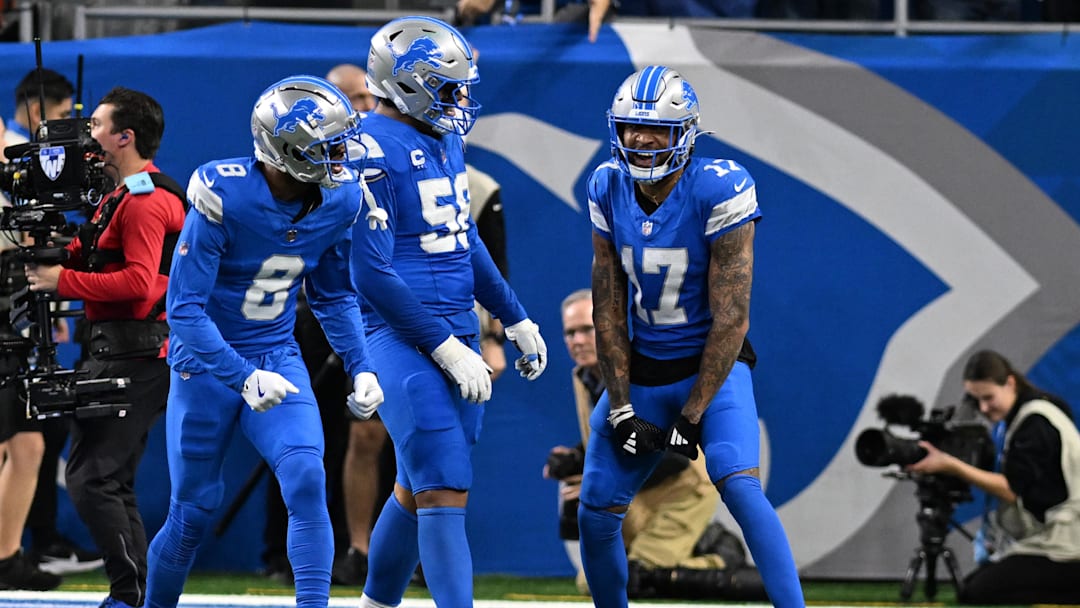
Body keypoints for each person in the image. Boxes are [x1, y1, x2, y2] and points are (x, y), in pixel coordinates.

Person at [144, 75, 384, 608]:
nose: (342, 157)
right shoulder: (225, 193)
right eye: (328, 146)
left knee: (304, 477)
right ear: (287, 151)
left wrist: (360, 364)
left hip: (275, 352)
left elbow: (334, 295)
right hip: (204, 364)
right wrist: (241, 375)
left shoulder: (342, 198)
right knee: (192, 512)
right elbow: (182, 310)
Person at [581, 65, 804, 608]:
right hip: (644, 369)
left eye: (655, 129)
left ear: (685, 134)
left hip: (714, 371)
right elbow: (607, 309)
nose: (640, 138)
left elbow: (732, 318)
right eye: (632, 126)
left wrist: (692, 415)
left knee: (740, 487)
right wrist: (620, 407)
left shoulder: (718, 186)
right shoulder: (608, 184)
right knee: (594, 510)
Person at [350, 16, 548, 608]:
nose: (460, 99)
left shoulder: (443, 136)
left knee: (415, 490)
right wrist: (443, 344)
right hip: (397, 335)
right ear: (407, 84)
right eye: (448, 86)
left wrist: (512, 316)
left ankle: (374, 603)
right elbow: (370, 273)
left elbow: (461, 237)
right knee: (443, 486)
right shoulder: (368, 148)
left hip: (456, 328)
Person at [23, 86, 187, 607]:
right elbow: (85, 254)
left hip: (140, 354)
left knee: (94, 477)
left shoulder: (146, 202)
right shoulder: (117, 198)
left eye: (94, 125)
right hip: (116, 350)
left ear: (125, 136)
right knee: (105, 478)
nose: (85, 135)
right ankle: (136, 594)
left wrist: (60, 282)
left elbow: (139, 284)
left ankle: (128, 594)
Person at [546, 289, 762, 600]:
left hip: (682, 491)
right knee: (592, 580)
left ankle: (719, 560)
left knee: (630, 577)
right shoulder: (583, 376)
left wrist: (594, 482)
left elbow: (671, 455)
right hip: (636, 498)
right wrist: (576, 457)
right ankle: (704, 544)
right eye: (570, 332)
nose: (577, 340)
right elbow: (617, 436)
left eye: (586, 328)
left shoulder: (637, 372)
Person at [3, 67, 103, 577]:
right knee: (23, 437)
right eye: (63, 114)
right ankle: (25, 547)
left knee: (32, 438)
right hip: (9, 313)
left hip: (16, 312)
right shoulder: (17, 160)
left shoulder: (23, 159)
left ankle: (18, 550)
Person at [907, 350, 1080, 605]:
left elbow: (1011, 489)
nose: (983, 408)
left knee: (978, 592)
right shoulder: (1041, 407)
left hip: (1067, 543)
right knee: (982, 583)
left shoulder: (1035, 423)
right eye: (976, 400)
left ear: (1010, 383)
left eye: (988, 398)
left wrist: (950, 465)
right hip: (1056, 537)